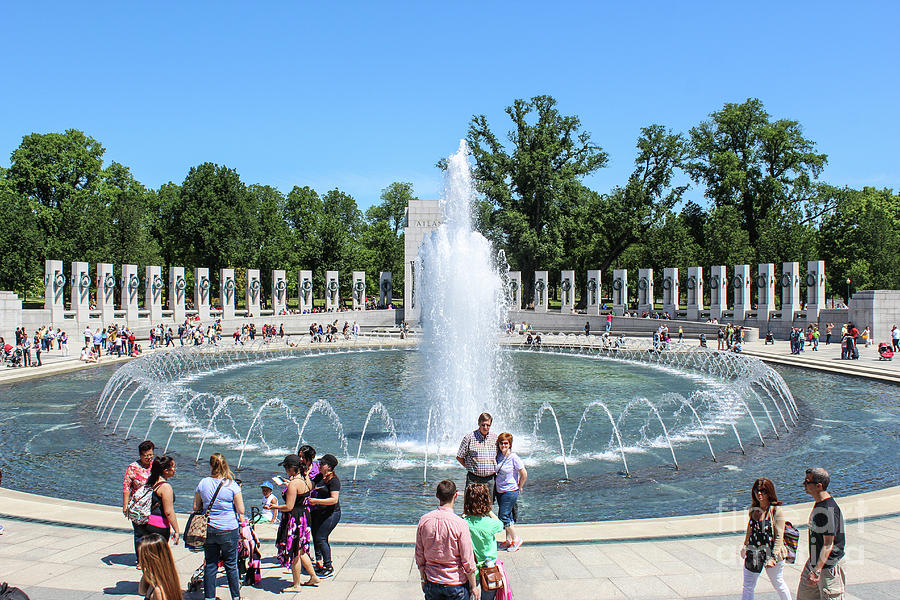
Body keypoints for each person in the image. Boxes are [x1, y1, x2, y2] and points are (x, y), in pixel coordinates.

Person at [415, 480, 478, 600]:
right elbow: (467, 559)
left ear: (437, 495)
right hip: (455, 582)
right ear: (455, 495)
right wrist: (474, 586)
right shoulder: (460, 524)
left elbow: (419, 554)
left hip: (432, 581)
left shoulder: (424, 521)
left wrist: (423, 578)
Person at [193, 453, 244, 600]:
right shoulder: (232, 485)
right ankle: (235, 597)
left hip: (209, 528)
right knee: (231, 565)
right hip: (229, 529)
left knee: (211, 564)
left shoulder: (203, 483)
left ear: (210, 466)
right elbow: (241, 510)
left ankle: (209, 598)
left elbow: (196, 506)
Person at [797, 468, 845, 600]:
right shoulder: (819, 504)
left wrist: (817, 570)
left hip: (828, 567)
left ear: (819, 486)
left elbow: (828, 544)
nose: (803, 484)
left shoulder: (827, 509)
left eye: (807, 482)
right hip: (814, 563)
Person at [740, 478, 791, 600]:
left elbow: (779, 536)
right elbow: (750, 530)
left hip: (772, 553)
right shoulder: (754, 510)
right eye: (757, 491)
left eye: (763, 491)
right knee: (748, 586)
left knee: (777, 583)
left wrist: (773, 557)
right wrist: (745, 545)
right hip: (754, 552)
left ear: (769, 492)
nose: (759, 494)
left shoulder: (776, 510)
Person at [274, 454, 319, 590]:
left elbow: (289, 506)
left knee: (294, 551)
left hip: (294, 519)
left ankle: (296, 584)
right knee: (301, 550)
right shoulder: (306, 479)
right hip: (305, 516)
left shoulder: (294, 484)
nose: (285, 471)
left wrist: (274, 507)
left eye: (286, 468)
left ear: (291, 468)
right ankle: (313, 576)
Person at [463, 484, 505, 600]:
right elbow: (501, 525)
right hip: (489, 568)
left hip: (471, 569)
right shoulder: (490, 524)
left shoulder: (464, 523)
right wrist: (490, 511)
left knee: (471, 595)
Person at [309, 453, 341, 578]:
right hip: (320, 512)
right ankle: (321, 563)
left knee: (321, 538)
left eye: (322, 464)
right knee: (318, 538)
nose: (319, 465)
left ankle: (329, 567)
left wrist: (316, 501)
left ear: (329, 467)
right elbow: (309, 487)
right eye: (320, 463)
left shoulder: (334, 480)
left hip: (332, 513)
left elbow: (334, 500)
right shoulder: (319, 477)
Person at [124, 440, 156, 567]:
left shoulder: (155, 466)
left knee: (151, 533)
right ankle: (141, 560)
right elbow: (126, 486)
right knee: (139, 533)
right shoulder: (133, 467)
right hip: (137, 506)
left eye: (150, 455)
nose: (148, 458)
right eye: (145, 455)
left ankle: (151, 558)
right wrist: (125, 505)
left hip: (152, 506)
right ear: (140, 455)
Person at [494, 433, 526, 552]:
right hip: (500, 491)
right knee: (509, 516)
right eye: (501, 443)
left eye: (506, 443)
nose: (503, 445)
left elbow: (524, 473)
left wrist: (520, 486)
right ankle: (508, 541)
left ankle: (516, 539)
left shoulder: (514, 457)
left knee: (503, 516)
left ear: (510, 444)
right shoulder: (499, 456)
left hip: (510, 491)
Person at [457, 413, 498, 492]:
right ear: (479, 423)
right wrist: (470, 466)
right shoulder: (469, 438)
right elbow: (459, 457)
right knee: (471, 503)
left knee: (489, 504)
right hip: (473, 479)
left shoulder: (495, 438)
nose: (485, 428)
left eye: (488, 425)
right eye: (483, 425)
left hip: (490, 480)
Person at [137, 534, 183, 600]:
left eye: (142, 557)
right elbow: (142, 591)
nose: (140, 560)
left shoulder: (158, 591)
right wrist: (148, 570)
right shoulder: (163, 578)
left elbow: (142, 591)